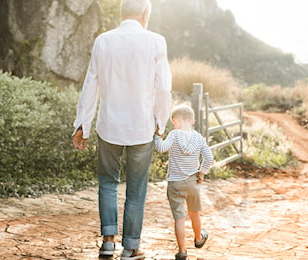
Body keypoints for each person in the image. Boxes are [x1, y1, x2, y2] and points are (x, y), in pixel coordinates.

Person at [71, 0, 172, 258]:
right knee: (137, 189)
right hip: (141, 127)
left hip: (109, 126)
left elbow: (90, 85)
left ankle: (107, 242)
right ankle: (131, 247)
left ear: (121, 14)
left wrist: (82, 124)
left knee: (107, 183)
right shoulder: (156, 41)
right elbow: (163, 89)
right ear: (145, 14)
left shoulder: (103, 41)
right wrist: (161, 122)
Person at [154, 104, 213, 260]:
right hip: (193, 182)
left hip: (175, 183)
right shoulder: (198, 138)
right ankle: (199, 239)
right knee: (195, 213)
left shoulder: (174, 135)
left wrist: (157, 136)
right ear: (192, 121)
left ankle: (182, 251)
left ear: (174, 121)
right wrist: (201, 172)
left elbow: (161, 148)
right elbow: (209, 158)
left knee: (179, 218)